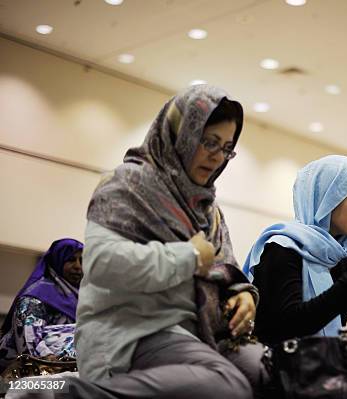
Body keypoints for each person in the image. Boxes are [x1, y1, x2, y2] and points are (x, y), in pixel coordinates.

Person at [60, 84, 261, 398]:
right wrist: (188, 257)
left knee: (268, 372)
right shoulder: (127, 184)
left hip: (199, 333)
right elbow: (100, 263)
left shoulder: (207, 208)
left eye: (226, 148)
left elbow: (226, 268)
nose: (217, 156)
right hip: (131, 331)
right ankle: (61, 393)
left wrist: (244, 295)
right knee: (228, 386)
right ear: (183, 134)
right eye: (208, 142)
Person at [243, 155, 347, 344]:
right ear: (327, 198)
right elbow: (289, 327)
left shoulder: (340, 259)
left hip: (323, 364)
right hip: (280, 366)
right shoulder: (281, 248)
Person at [0, 238, 83, 372]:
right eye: (71, 259)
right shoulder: (36, 296)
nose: (78, 266)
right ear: (57, 261)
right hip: (27, 370)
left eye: (82, 261)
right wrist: (48, 359)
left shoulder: (81, 298)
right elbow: (28, 338)